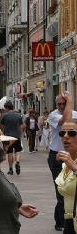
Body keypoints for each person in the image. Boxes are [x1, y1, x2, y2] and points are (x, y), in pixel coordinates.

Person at [47, 92, 77, 231]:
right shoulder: (53, 115)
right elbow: (65, 121)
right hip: (57, 156)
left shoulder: (75, 114)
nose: (61, 106)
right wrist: (69, 102)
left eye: (64, 103)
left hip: (73, 155)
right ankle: (62, 222)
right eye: (59, 104)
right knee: (62, 190)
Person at [0, 101, 24, 175]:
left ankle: (10, 169)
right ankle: (17, 162)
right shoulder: (18, 115)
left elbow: (1, 125)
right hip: (17, 136)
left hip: (8, 137)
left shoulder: (4, 115)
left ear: (6, 107)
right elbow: (21, 125)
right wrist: (20, 133)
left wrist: (3, 132)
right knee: (18, 150)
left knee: (9, 152)